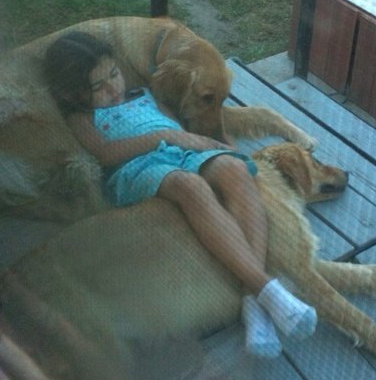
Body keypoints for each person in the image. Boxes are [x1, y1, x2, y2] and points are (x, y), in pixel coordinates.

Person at [43, 31, 317, 358]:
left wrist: (211, 142)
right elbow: (105, 154)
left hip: (181, 153)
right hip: (139, 169)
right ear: (75, 95)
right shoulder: (82, 119)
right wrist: (167, 136)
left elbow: (184, 130)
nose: (112, 87)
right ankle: (266, 289)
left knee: (235, 169)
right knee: (190, 186)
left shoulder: (143, 93)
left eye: (114, 74)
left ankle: (253, 301)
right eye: (98, 87)